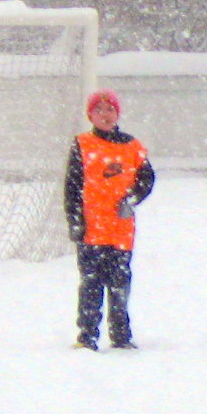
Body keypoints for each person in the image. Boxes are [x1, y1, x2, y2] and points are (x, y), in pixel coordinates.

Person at [64, 88, 155, 351]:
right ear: (90, 115)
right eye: (99, 110)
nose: (105, 115)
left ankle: (121, 336)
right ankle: (87, 336)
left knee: (120, 284)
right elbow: (72, 187)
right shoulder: (82, 144)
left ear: (117, 114)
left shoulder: (132, 146)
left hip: (120, 230)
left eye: (110, 109)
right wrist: (76, 221)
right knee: (91, 283)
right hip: (92, 229)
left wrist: (132, 199)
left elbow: (147, 179)